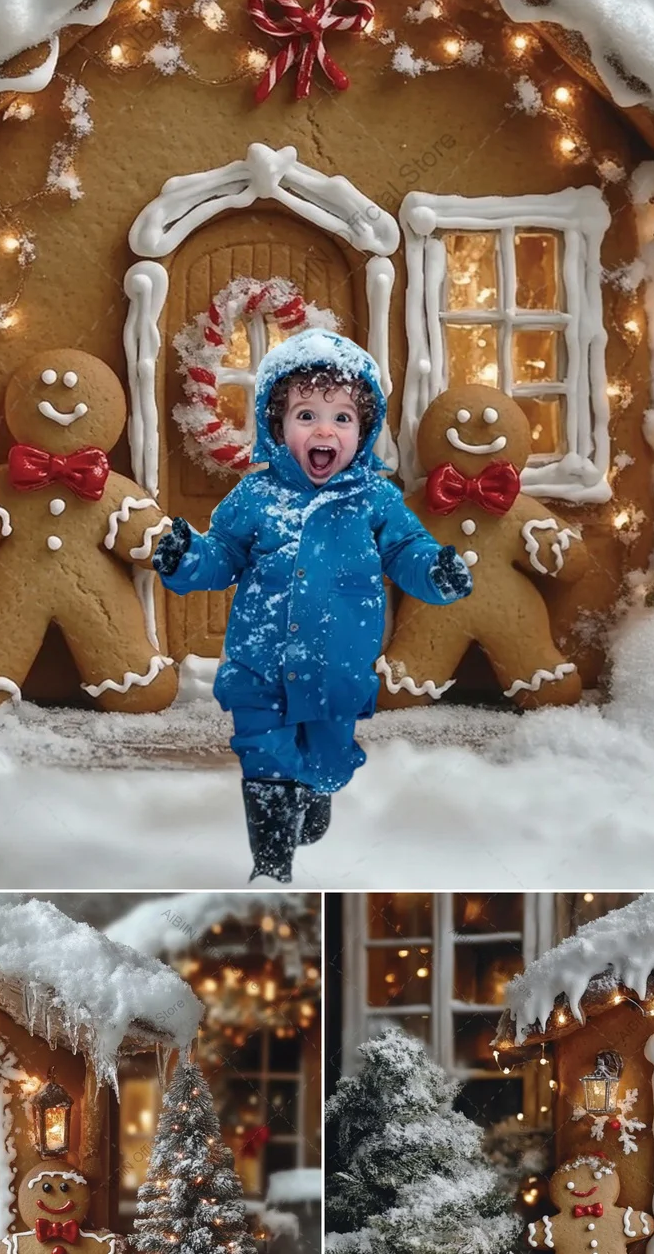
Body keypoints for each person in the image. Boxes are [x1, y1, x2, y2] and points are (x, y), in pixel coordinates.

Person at [154, 329, 472, 881]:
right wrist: (186, 559)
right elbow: (221, 555)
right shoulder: (256, 496)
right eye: (306, 415)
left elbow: (407, 550)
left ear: (363, 430)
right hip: (260, 662)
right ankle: (270, 868)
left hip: (335, 666)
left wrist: (436, 573)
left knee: (324, 763)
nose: (324, 430)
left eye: (342, 418)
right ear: (277, 426)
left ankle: (314, 789)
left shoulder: (375, 499)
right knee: (264, 754)